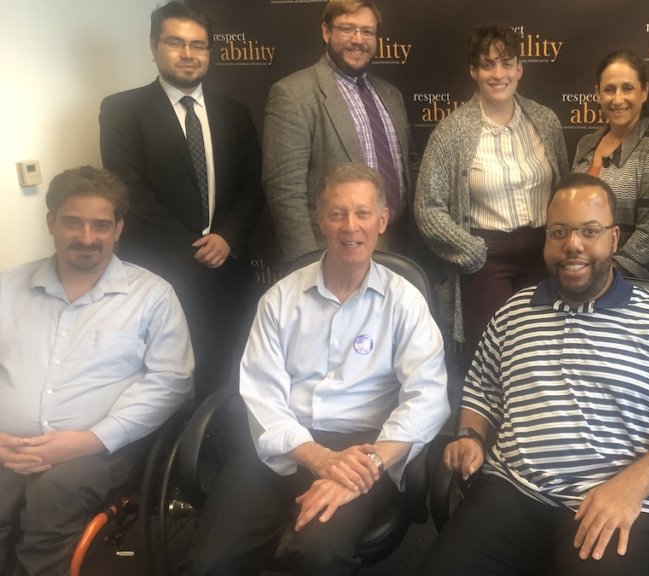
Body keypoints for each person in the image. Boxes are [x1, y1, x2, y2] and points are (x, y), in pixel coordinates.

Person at [421, 174, 649, 576]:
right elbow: (481, 392)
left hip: (616, 496)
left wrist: (631, 486)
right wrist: (471, 435)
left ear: (613, 239)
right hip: (514, 489)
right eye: (559, 231)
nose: (572, 244)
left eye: (589, 231)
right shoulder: (513, 313)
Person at [186, 163, 449, 576]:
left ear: (382, 220)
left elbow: (428, 397)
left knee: (315, 556)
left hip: (363, 450)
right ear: (319, 219)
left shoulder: (404, 302)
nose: (351, 226)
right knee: (208, 563)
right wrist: (319, 458)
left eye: (363, 213)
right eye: (337, 213)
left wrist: (368, 465)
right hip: (284, 445)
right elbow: (261, 394)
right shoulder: (279, 300)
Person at [0, 166, 193, 576]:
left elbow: (171, 382)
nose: (87, 237)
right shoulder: (7, 288)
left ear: (118, 228)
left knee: (52, 496)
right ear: (51, 222)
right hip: (6, 443)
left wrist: (88, 440)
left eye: (101, 225)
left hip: (102, 449)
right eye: (73, 222)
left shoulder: (152, 296)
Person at [100, 1, 263, 401]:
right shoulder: (122, 110)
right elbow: (128, 191)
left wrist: (226, 237)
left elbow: (252, 186)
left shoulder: (235, 113)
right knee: (164, 376)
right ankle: (170, 457)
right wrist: (193, 248)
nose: (188, 54)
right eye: (176, 42)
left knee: (224, 369)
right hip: (160, 270)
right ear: (154, 47)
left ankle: (217, 450)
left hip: (226, 270)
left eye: (199, 45)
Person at [415, 23, 569, 352]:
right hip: (488, 258)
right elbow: (428, 208)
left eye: (506, 63)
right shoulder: (452, 132)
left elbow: (564, 191)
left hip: (543, 254)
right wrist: (471, 251)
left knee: (543, 349)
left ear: (520, 68)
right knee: (490, 353)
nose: (498, 74)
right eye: (487, 64)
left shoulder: (546, 121)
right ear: (473, 71)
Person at [264, 0, 417, 264]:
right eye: (347, 29)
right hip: (332, 252)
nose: (359, 39)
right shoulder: (293, 93)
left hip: (397, 246)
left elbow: (409, 165)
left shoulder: (390, 95)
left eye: (367, 31)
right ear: (326, 32)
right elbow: (285, 191)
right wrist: (306, 265)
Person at [571, 50, 649, 279]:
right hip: (580, 274)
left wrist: (604, 277)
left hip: (627, 284)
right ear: (597, 94)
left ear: (644, 91)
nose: (617, 99)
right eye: (609, 89)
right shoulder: (585, 144)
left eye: (627, 88)